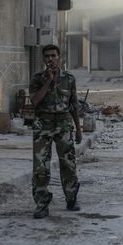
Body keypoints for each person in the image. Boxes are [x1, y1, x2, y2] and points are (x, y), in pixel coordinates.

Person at [29, 44, 83, 219]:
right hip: (42, 127)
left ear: (59, 57)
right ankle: (42, 204)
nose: (50, 59)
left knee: (68, 164)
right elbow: (35, 101)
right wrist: (48, 81)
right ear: (44, 59)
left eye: (53, 56)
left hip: (63, 125)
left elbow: (74, 105)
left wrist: (79, 129)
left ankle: (71, 198)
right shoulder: (37, 78)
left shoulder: (69, 78)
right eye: (47, 56)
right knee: (40, 167)